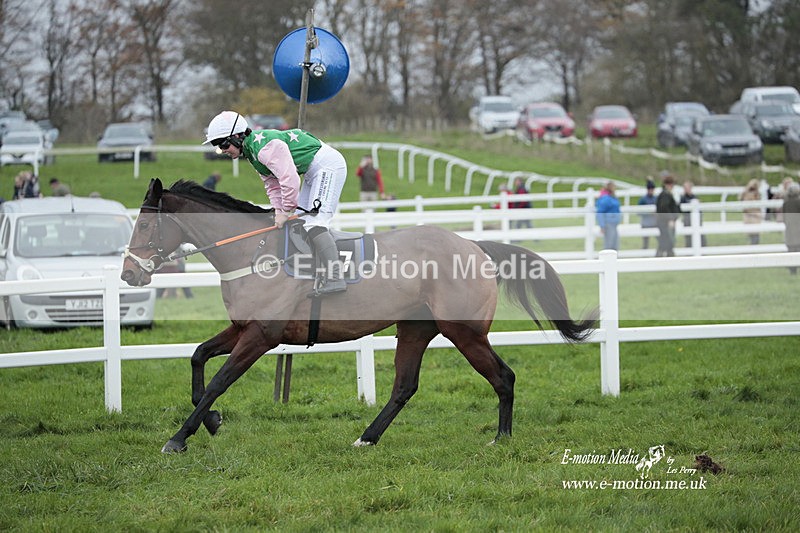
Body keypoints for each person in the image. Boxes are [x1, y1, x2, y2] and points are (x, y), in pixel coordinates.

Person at [203, 110, 348, 295]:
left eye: (222, 144)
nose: (222, 150)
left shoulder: (264, 149)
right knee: (301, 221)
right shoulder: (252, 152)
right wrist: (279, 212)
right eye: (217, 145)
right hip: (312, 170)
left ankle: (336, 277)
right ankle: (314, 271)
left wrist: (285, 210)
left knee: (315, 223)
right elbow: (272, 185)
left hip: (327, 166)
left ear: (238, 136)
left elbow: (290, 180)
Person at [656, 173, 681, 257]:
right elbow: (664, 208)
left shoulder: (667, 194)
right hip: (665, 222)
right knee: (667, 240)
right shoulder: (665, 195)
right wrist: (670, 219)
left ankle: (665, 255)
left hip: (665, 221)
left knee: (666, 240)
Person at [595, 181, 621, 250]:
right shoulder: (606, 199)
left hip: (614, 224)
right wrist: (602, 226)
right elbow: (600, 212)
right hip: (609, 223)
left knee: (615, 244)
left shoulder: (612, 197)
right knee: (609, 245)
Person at [679, 180, 706, 248]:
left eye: (686, 187)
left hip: (696, 220)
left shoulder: (695, 197)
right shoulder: (683, 198)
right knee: (688, 238)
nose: (685, 189)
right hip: (687, 220)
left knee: (700, 236)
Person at [783, 183, 800, 274]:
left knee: (791, 248)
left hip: (789, 228)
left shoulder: (786, 202)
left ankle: (792, 269)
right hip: (798, 228)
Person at [740, 178, 762, 245]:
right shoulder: (748, 194)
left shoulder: (755, 194)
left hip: (753, 218)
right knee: (753, 237)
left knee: (754, 237)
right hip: (751, 218)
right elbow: (746, 208)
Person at [637, 178, 657, 249]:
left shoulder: (656, 198)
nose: (651, 191)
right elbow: (638, 212)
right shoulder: (643, 200)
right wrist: (649, 212)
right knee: (645, 242)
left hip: (655, 222)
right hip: (646, 223)